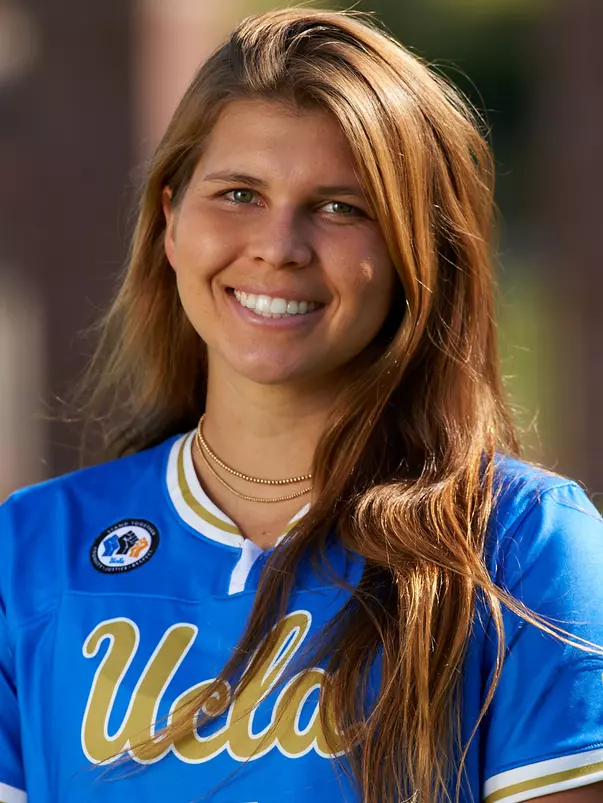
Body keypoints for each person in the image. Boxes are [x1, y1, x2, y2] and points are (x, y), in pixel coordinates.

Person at [1, 8, 602, 803]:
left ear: (414, 252)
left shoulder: (521, 549)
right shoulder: (32, 550)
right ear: (170, 221)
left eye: (339, 207)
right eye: (240, 193)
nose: (278, 244)